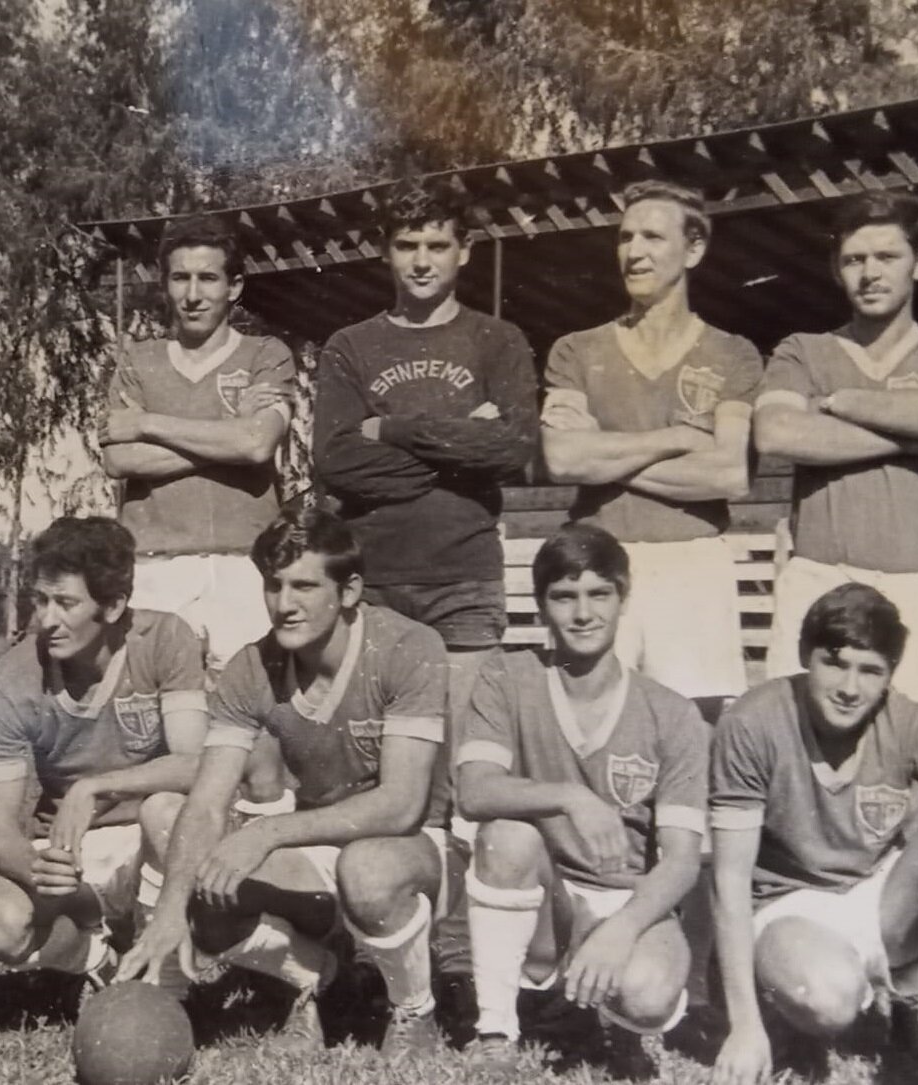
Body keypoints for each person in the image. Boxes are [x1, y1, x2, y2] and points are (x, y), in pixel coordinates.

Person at [311, 177, 539, 1001]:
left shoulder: (497, 339)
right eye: (406, 245)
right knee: (370, 769)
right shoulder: (350, 344)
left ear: (462, 253)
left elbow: (511, 449)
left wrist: (392, 429)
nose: (420, 260)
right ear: (385, 251)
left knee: (462, 775)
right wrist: (451, 442)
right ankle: (369, 949)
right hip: (374, 581)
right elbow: (333, 462)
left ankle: (458, 955)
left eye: (436, 244)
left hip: (465, 576)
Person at [117, 507, 453, 1056]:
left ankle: (416, 1008)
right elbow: (204, 802)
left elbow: (403, 805)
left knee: (365, 868)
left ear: (349, 592)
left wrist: (267, 833)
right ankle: (320, 978)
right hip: (320, 842)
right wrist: (172, 911)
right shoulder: (252, 667)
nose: (283, 603)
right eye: (273, 585)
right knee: (209, 891)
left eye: (303, 586)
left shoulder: (407, 647)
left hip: (416, 850)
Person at [710, 584, 918, 1085]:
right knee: (827, 997)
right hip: (789, 903)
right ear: (804, 655)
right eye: (835, 663)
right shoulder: (753, 721)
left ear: (889, 677)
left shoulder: (904, 718)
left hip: (879, 893)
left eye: (870, 671)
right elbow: (728, 880)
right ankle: (784, 1015)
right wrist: (744, 1026)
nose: (849, 687)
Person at [456, 523, 707, 1064]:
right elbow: (473, 791)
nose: (583, 613)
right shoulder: (509, 676)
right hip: (549, 899)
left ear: (622, 599)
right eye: (564, 597)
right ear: (543, 606)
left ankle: (612, 1018)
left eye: (599, 594)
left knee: (647, 996)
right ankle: (496, 1030)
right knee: (505, 835)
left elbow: (684, 861)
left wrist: (623, 928)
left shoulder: (671, 712)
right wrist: (572, 796)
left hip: (629, 898)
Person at [755, 191, 918, 734]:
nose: (870, 273)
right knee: (802, 751)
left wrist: (842, 403)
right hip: (820, 576)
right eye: (854, 259)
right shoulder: (802, 350)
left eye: (887, 257)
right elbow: (776, 432)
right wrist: (916, 435)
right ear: (835, 269)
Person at [541, 180, 761, 723]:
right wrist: (677, 439)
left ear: (693, 249)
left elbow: (729, 472)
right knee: (591, 725)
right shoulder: (576, 349)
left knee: (693, 728)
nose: (634, 252)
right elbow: (564, 460)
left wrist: (605, 455)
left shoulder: (732, 354)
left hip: (692, 561)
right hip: (598, 561)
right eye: (625, 238)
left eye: (652, 238)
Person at [0, 516, 208, 992]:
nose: (46, 619)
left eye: (66, 603)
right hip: (73, 845)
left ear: (115, 605)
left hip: (154, 838)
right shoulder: (9, 681)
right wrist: (39, 870)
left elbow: (196, 764)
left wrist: (94, 786)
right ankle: (95, 958)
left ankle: (160, 978)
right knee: (0, 925)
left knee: (167, 809)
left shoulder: (164, 639)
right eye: (41, 600)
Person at [99, 215, 296, 676]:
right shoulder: (138, 360)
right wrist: (228, 431)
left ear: (235, 286)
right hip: (154, 567)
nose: (193, 294)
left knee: (246, 711)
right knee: (157, 711)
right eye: (180, 278)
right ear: (165, 284)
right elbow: (119, 458)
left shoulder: (266, 355)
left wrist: (147, 422)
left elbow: (255, 445)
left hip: (245, 565)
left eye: (208, 278)